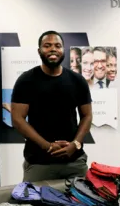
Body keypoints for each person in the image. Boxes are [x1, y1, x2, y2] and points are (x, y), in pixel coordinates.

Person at [11, 30, 93, 182]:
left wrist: (75, 144)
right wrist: (47, 146)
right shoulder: (26, 81)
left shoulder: (78, 81)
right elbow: (17, 118)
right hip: (39, 163)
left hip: (74, 163)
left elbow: (87, 115)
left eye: (57, 45)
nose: (53, 49)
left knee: (82, 204)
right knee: (33, 205)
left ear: (63, 50)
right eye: (47, 46)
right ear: (39, 51)